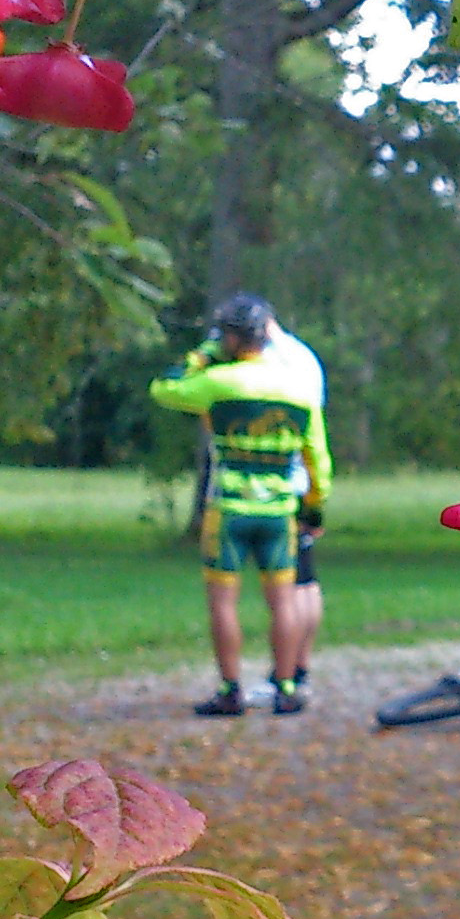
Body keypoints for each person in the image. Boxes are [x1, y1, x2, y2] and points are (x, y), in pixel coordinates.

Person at [148, 292, 333, 717]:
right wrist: (314, 506)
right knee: (282, 601)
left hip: (229, 508)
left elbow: (164, 388)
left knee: (223, 602)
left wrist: (202, 355)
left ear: (230, 338)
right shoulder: (298, 388)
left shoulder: (219, 383)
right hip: (279, 511)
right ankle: (286, 686)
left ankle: (231, 689)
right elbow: (318, 460)